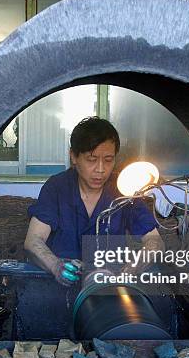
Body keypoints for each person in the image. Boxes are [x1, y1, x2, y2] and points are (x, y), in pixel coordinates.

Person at [24, 117, 164, 286]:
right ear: (74, 157)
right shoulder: (57, 188)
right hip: (60, 288)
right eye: (91, 159)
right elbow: (33, 241)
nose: (100, 169)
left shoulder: (123, 190)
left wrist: (133, 269)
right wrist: (56, 266)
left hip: (108, 287)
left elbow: (155, 241)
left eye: (108, 160)